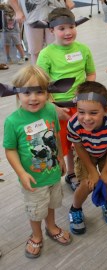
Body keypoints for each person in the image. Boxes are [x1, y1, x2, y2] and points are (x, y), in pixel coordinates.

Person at [3, 65, 72, 259]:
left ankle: (51, 226)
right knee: (35, 211)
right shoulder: (13, 121)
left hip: (52, 173)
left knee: (51, 204)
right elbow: (10, 150)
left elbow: (56, 133)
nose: (33, 98)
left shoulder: (50, 110)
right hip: (32, 181)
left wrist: (60, 157)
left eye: (39, 92)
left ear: (47, 93)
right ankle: (36, 235)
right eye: (27, 92)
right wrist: (21, 173)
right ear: (17, 94)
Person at [37, 7, 96, 192]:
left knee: (78, 141)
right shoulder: (46, 54)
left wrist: (86, 90)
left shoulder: (83, 49)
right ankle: (58, 174)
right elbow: (41, 83)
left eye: (71, 26)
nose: (68, 32)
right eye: (62, 28)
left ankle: (74, 172)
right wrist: (52, 105)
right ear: (52, 30)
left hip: (80, 105)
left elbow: (91, 73)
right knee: (61, 143)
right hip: (58, 107)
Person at [67, 81, 107, 234]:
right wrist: (92, 171)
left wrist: (105, 171)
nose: (86, 118)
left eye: (93, 113)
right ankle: (75, 209)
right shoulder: (73, 124)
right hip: (85, 153)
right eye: (81, 112)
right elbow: (78, 146)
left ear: (106, 110)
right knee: (86, 184)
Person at [8, 0, 74, 64]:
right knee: (35, 51)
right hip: (32, 14)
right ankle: (38, 74)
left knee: (58, 47)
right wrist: (17, 11)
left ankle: (59, 72)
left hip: (56, 12)